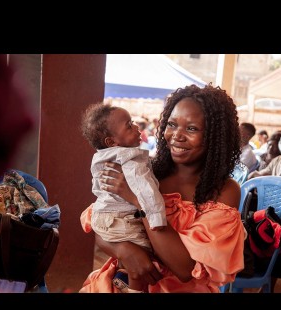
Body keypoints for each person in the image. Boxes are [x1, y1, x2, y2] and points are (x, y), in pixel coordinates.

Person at [79, 83, 246, 293]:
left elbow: (185, 268)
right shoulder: (147, 171)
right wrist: (124, 250)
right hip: (126, 278)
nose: (177, 135)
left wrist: (139, 201)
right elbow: (101, 223)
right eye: (172, 124)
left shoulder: (224, 190)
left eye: (192, 128)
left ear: (215, 137)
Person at [80, 102, 167, 293]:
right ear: (112, 141)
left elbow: (97, 187)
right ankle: (135, 290)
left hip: (103, 216)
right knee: (144, 255)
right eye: (129, 125)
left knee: (132, 257)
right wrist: (156, 219)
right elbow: (147, 193)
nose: (136, 127)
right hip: (120, 219)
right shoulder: (131, 161)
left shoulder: (101, 157)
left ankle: (124, 282)